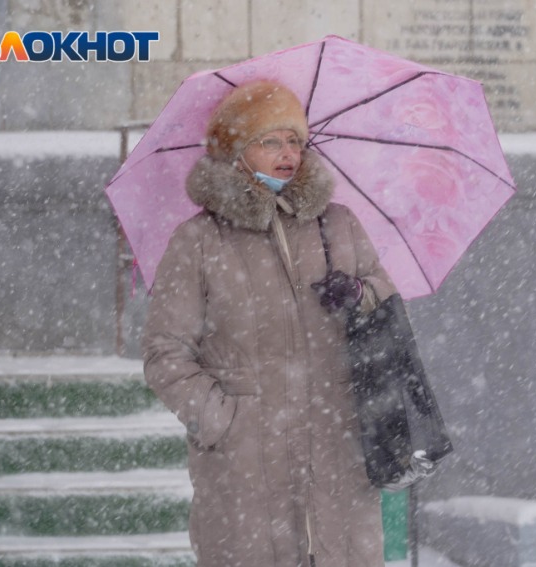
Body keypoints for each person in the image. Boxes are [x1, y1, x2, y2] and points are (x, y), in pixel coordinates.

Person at [142, 80, 397, 567]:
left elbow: (388, 304)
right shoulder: (198, 240)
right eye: (270, 141)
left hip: (336, 444)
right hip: (246, 466)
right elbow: (165, 353)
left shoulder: (338, 224)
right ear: (236, 152)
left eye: (295, 140)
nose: (288, 153)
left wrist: (359, 293)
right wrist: (223, 421)